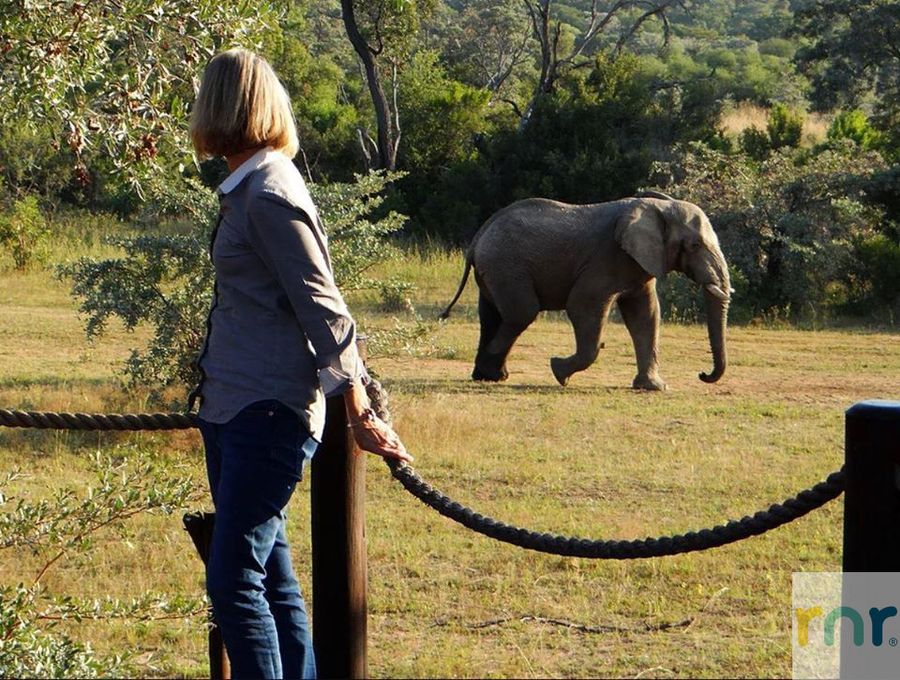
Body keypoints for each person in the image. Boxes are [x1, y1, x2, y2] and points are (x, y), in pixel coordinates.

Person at [188, 48, 412, 680]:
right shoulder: (248, 184)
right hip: (234, 407)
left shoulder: (267, 191)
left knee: (234, 583)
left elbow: (326, 310)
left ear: (223, 104)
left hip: (268, 412)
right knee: (272, 577)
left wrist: (359, 409)